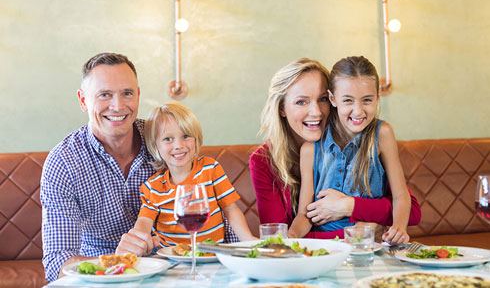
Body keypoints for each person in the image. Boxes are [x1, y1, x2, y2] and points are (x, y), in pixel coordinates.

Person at [250, 57, 421, 240]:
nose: (315, 112)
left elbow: (410, 210)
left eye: (322, 99)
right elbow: (280, 237)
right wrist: (361, 234)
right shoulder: (271, 159)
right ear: (282, 108)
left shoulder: (375, 137)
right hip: (319, 253)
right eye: (301, 102)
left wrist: (349, 205)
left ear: (330, 99)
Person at [41, 53, 157, 282]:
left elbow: (209, 206)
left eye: (127, 93)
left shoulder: (164, 140)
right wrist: (118, 263)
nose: (118, 106)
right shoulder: (64, 162)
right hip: (97, 279)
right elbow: (57, 262)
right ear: (83, 100)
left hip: (169, 270)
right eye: (105, 95)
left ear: (138, 95)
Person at [288, 56, 410, 245]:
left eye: (367, 100)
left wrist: (399, 227)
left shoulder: (382, 134)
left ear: (378, 96)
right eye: (348, 101)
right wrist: (291, 237)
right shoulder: (310, 150)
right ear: (332, 99)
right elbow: (305, 215)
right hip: (326, 248)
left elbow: (401, 195)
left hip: (369, 246)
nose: (358, 111)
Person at [116, 102, 255, 254]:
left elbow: (231, 209)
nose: (178, 145)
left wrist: (248, 240)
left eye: (186, 136)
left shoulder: (210, 169)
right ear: (155, 146)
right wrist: (138, 241)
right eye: (168, 139)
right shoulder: (152, 187)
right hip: (170, 257)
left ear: (195, 138)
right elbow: (144, 221)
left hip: (212, 255)